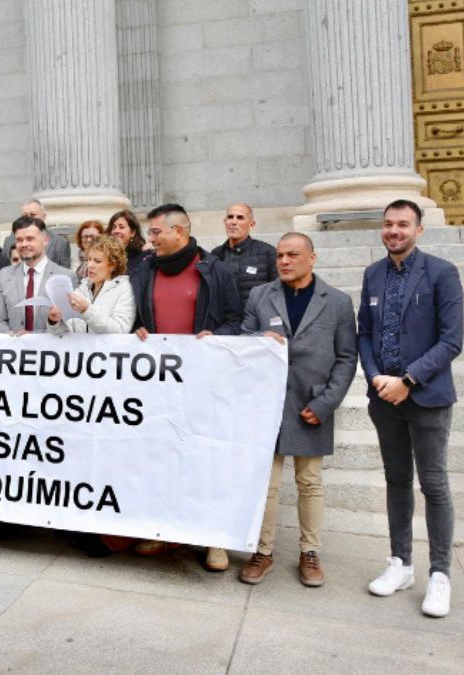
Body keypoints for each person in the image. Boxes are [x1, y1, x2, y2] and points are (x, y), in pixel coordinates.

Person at [234, 233, 357, 587]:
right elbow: (242, 340)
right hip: (268, 404)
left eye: (293, 255)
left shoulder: (336, 302)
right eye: (281, 256)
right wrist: (261, 340)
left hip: (311, 403)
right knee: (266, 486)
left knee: (309, 482)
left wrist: (326, 403)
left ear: (312, 258)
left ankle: (310, 553)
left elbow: (347, 357)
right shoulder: (261, 295)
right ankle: (263, 551)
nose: (285, 261)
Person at [360, 199, 464, 618]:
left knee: (433, 485)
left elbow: (451, 341)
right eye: (388, 224)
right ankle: (400, 563)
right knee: (397, 480)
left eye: (403, 224)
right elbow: (363, 335)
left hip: (426, 397)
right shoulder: (372, 274)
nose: (394, 231)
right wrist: (375, 378)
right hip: (384, 398)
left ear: (419, 230)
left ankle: (440, 574)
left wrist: (408, 380)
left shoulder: (441, 273)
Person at [128, 203, 241, 565]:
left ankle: (213, 539)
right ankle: (160, 531)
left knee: (203, 459)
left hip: (202, 385)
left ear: (180, 231)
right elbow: (129, 317)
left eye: (157, 233)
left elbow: (235, 319)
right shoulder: (143, 271)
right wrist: (135, 330)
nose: (151, 240)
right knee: (157, 458)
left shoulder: (214, 270)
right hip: (156, 384)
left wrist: (215, 336)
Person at [0, 215, 77, 334]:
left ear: (46, 240)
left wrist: (50, 325)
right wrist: (11, 336)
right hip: (13, 349)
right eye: (19, 240)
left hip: (50, 350)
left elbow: (72, 324)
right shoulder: (5, 275)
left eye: (30, 239)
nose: (24, 244)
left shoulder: (66, 277)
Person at [48, 235, 135, 335]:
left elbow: (120, 329)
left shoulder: (124, 288)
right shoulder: (83, 288)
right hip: (79, 350)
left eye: (97, 261)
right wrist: (54, 322)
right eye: (89, 259)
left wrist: (87, 310)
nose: (90, 265)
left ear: (112, 265)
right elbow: (66, 334)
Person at [211, 203, 278, 306]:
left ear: (252, 224)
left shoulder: (268, 253)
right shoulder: (216, 254)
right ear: (225, 222)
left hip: (256, 319)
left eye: (240, 218)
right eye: (230, 217)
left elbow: (278, 291)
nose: (234, 222)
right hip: (225, 320)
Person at [1, 199, 72, 269]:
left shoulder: (60, 243)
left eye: (33, 215)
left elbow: (64, 274)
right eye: (25, 216)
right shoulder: (9, 241)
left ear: (43, 217)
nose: (28, 218)